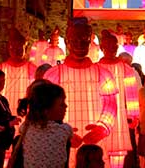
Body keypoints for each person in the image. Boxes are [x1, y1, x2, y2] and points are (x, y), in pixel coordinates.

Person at [43, 19, 118, 167]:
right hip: (61, 144)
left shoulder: (103, 74)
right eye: (75, 40)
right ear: (67, 42)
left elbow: (110, 105)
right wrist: (60, 131)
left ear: (90, 41)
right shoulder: (52, 75)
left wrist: (102, 128)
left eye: (84, 40)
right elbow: (44, 109)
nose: (79, 45)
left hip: (95, 144)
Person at [98, 32, 140, 168]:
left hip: (121, 120)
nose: (112, 48)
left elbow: (132, 95)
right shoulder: (95, 69)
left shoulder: (126, 70)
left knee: (119, 153)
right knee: (101, 154)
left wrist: (133, 116)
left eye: (114, 45)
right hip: (100, 119)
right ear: (101, 47)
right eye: (108, 45)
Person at [21, 81, 75, 168]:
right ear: (46, 110)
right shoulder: (65, 130)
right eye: (62, 104)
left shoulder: (26, 128)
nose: (66, 106)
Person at [0, 29, 37, 114]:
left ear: (25, 48)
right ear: (9, 48)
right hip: (4, 114)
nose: (16, 51)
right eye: (13, 48)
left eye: (19, 48)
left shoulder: (32, 69)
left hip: (25, 113)